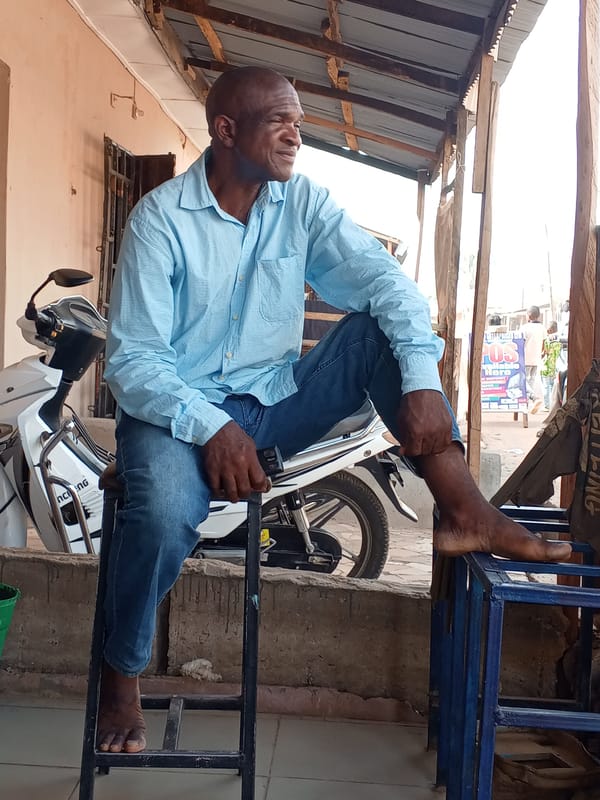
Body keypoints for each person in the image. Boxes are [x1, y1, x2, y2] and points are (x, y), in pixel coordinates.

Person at [98, 67, 572, 754]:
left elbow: (384, 284)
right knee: (164, 513)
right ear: (227, 131)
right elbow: (136, 362)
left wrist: (420, 378)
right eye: (278, 122)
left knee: (380, 333)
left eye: (299, 121)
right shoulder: (161, 220)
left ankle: (466, 510)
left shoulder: (304, 205)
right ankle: (124, 671)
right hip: (178, 413)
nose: (296, 136)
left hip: (275, 403)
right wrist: (213, 427)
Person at [520, 305, 546, 414]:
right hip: (536, 358)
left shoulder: (525, 328)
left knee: (522, 380)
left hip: (525, 358)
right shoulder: (542, 328)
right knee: (531, 380)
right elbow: (544, 345)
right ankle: (528, 403)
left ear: (529, 315)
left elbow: (520, 343)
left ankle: (534, 398)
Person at [540, 321, 562, 411]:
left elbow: (543, 352)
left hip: (547, 366)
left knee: (546, 386)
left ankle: (547, 405)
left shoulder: (547, 340)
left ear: (549, 330)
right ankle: (554, 406)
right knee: (554, 387)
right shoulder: (561, 338)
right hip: (558, 367)